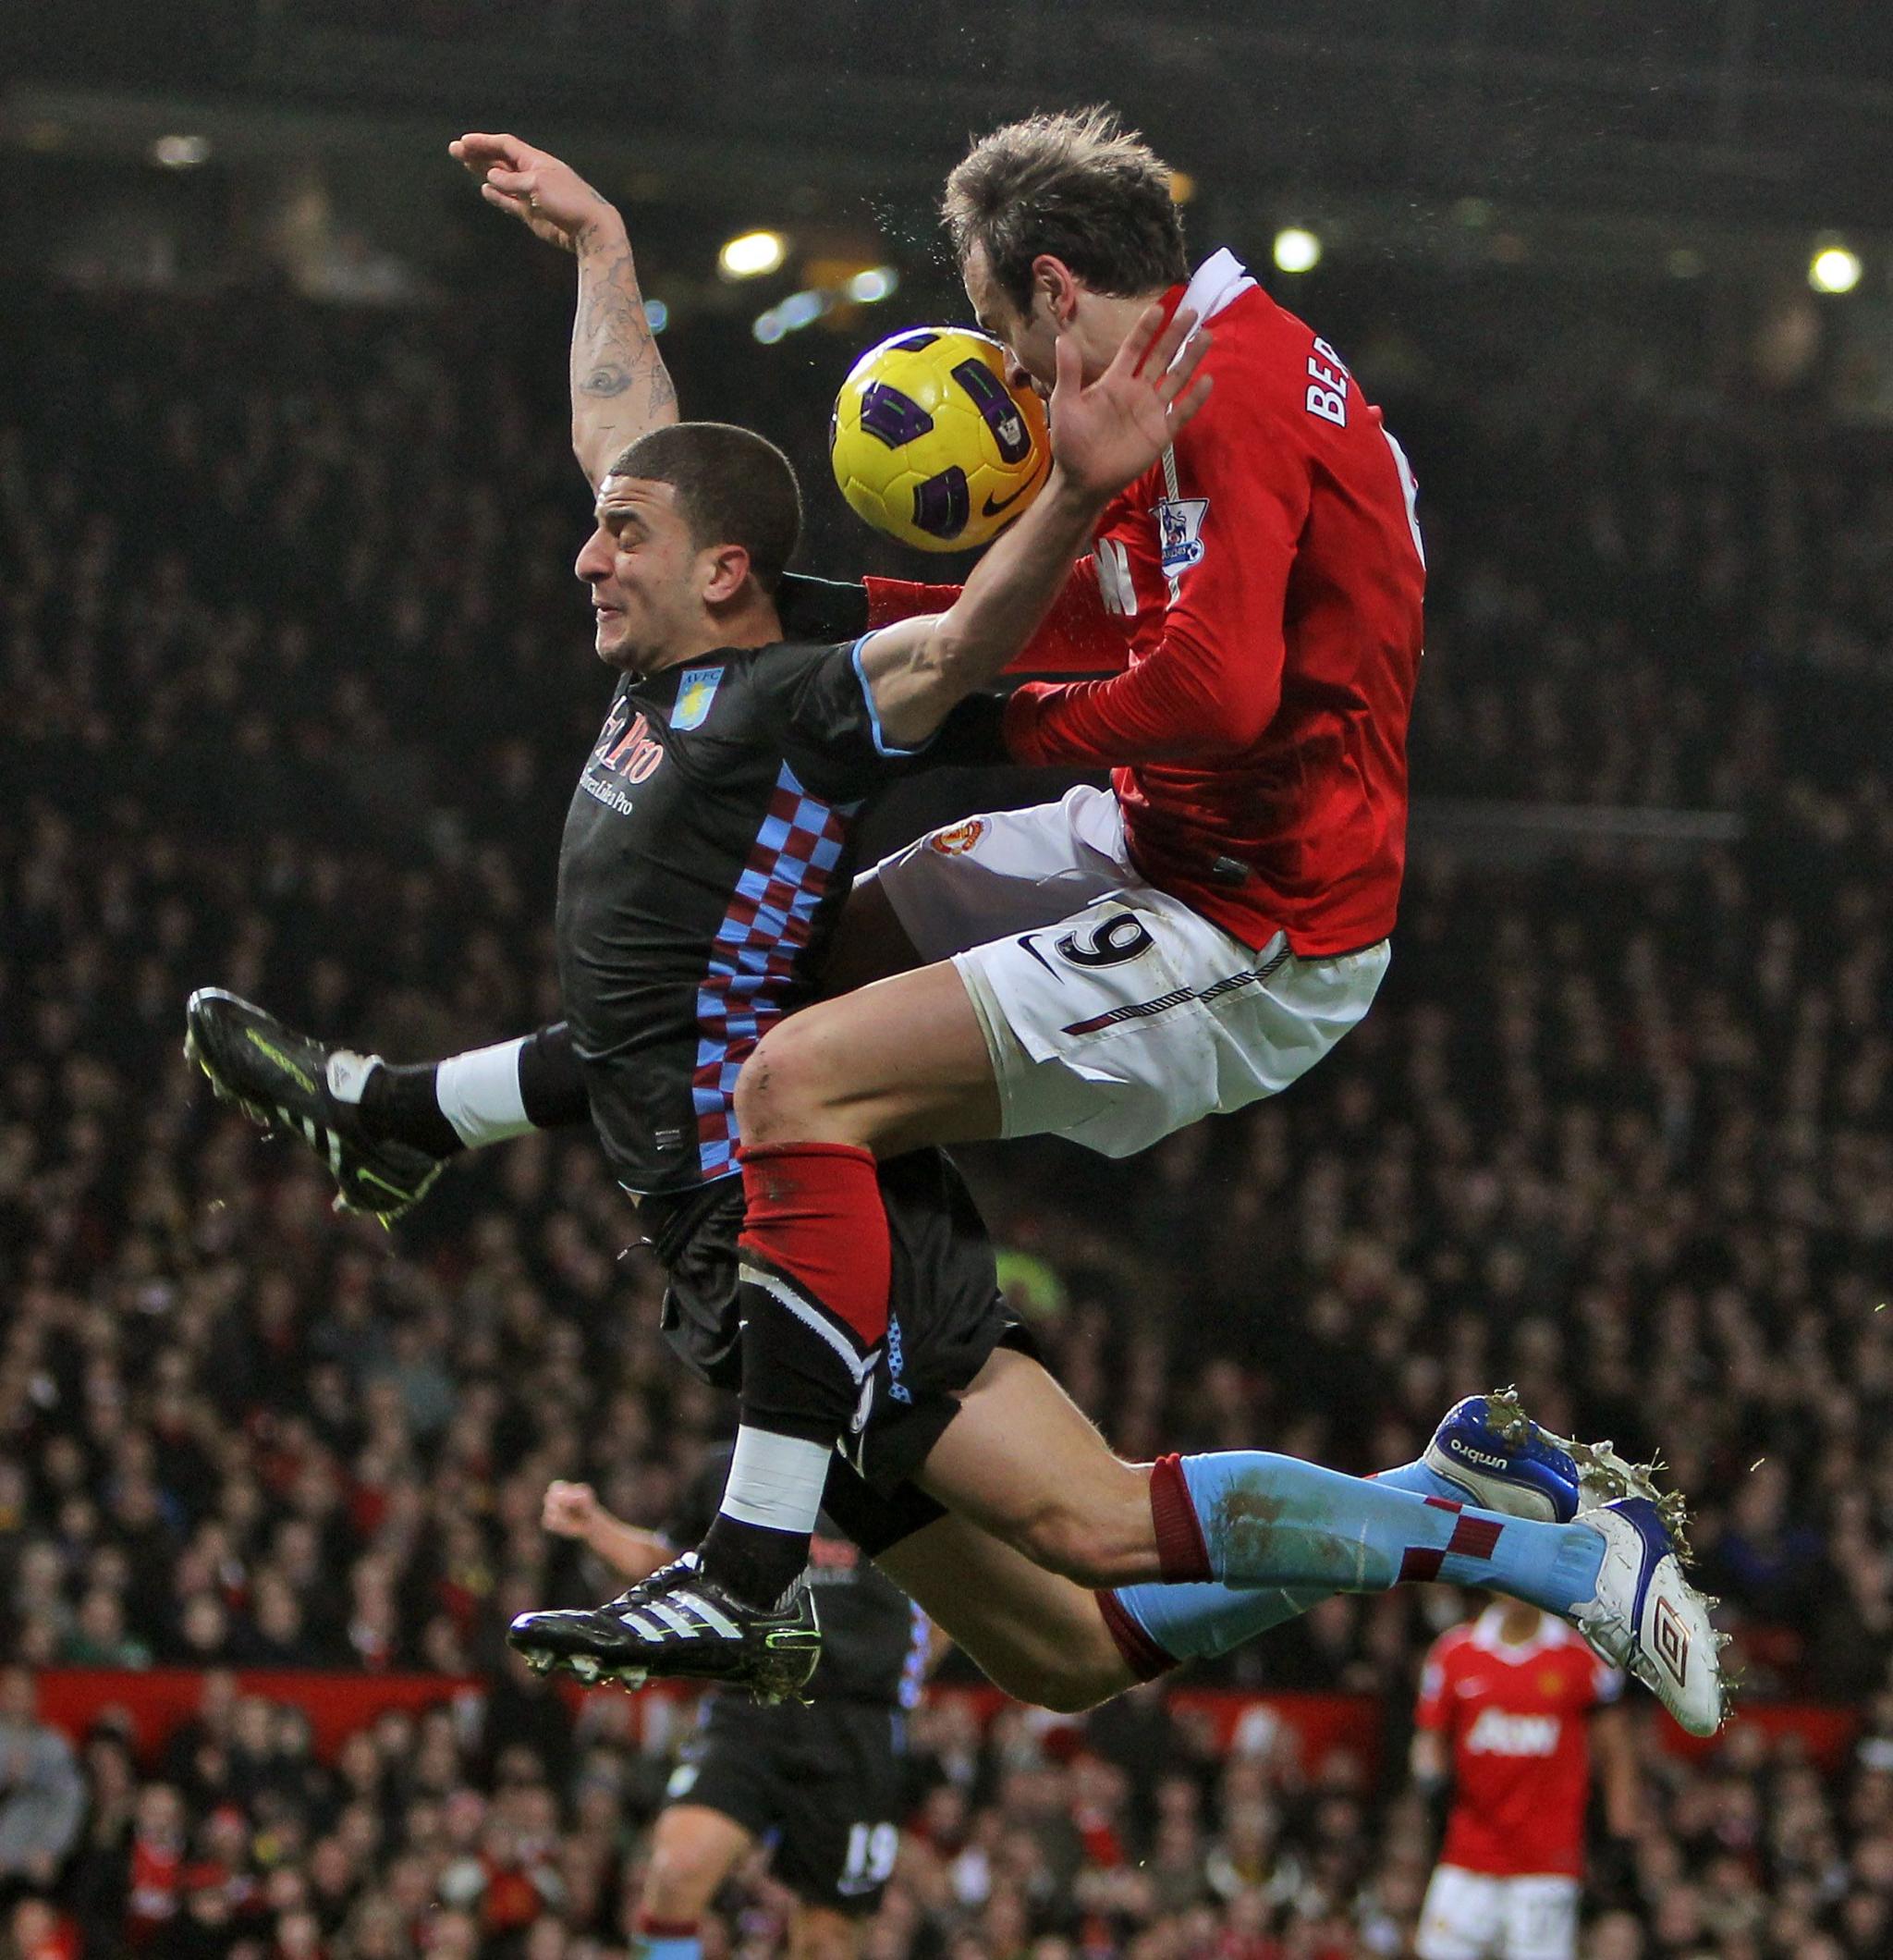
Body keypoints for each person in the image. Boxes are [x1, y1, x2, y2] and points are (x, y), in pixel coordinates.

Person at [186, 137, 1723, 1737]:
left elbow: (1185, 681)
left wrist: (987, 661)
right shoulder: (755, 613)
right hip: (1139, 846)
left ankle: (756, 1554)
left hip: (1252, 915)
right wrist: (603, 257)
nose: (995, 375)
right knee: (1060, 1646)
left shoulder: (1209, 401)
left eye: (998, 335)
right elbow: (635, 446)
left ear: (1056, 292)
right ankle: (409, 1116)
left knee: (805, 1099)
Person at [542, 1463, 931, 1960]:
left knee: (828, 1941)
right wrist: (596, 1526)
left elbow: (954, 1598)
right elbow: (669, 1564)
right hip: (751, 1704)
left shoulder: (900, 1475)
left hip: (856, 1725)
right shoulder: (736, 1464)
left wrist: (905, 1673)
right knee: (677, 1868)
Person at [1411, 1601, 1640, 1960]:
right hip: (1469, 1851)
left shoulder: (1581, 1657)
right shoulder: (1454, 1651)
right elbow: (1429, 1739)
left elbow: (1617, 1751)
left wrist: (1621, 1830)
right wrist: (1431, 1786)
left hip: (1547, 1859)